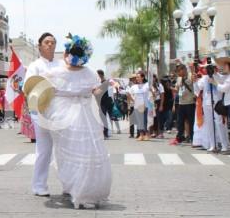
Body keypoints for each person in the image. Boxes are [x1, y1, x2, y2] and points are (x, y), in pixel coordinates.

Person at [41, 34, 111, 209]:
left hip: (70, 115)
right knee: (82, 151)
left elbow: (41, 90)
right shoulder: (86, 73)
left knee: (76, 151)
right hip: (76, 116)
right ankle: (76, 187)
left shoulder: (59, 72)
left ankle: (79, 189)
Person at [23, 32, 61, 197]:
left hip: (61, 111)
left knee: (64, 149)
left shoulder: (61, 65)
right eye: (46, 42)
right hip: (42, 111)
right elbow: (28, 87)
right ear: (40, 46)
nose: (50, 45)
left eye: (53, 42)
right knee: (44, 150)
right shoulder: (35, 66)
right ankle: (39, 185)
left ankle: (68, 184)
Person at [196, 61, 229, 152]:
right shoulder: (204, 78)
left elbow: (224, 85)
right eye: (207, 68)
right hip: (207, 103)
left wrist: (215, 78)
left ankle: (224, 145)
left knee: (219, 123)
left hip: (217, 103)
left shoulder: (219, 77)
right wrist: (196, 80)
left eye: (210, 68)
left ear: (215, 68)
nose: (208, 70)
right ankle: (212, 144)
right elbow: (198, 88)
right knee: (209, 124)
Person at [128, 72, 150, 141]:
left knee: (144, 121)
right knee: (139, 121)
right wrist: (133, 100)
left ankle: (146, 135)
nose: (137, 78)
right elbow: (128, 93)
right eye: (136, 77)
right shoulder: (134, 87)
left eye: (138, 77)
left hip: (145, 105)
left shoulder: (147, 85)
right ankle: (141, 135)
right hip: (137, 106)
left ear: (142, 77)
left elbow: (152, 91)